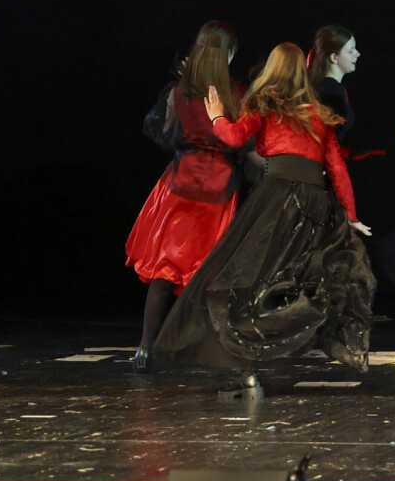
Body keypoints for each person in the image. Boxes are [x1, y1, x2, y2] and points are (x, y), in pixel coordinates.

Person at [152, 43, 375, 399]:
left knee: (249, 281)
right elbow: (337, 168)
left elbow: (234, 137)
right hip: (314, 203)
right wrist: (350, 215)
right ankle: (267, 353)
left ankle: (246, 371)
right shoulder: (318, 112)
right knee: (296, 278)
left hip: (279, 198)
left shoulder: (265, 104)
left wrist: (217, 117)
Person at [125, 20, 250, 373]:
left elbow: (164, 133)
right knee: (209, 273)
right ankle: (206, 350)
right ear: (228, 54)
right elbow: (244, 143)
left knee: (165, 269)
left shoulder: (181, 91)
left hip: (181, 184)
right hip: (218, 189)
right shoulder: (237, 94)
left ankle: (145, 347)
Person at [308, 25, 361, 140]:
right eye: (351, 51)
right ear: (334, 57)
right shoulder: (331, 92)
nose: (357, 54)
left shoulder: (324, 87)